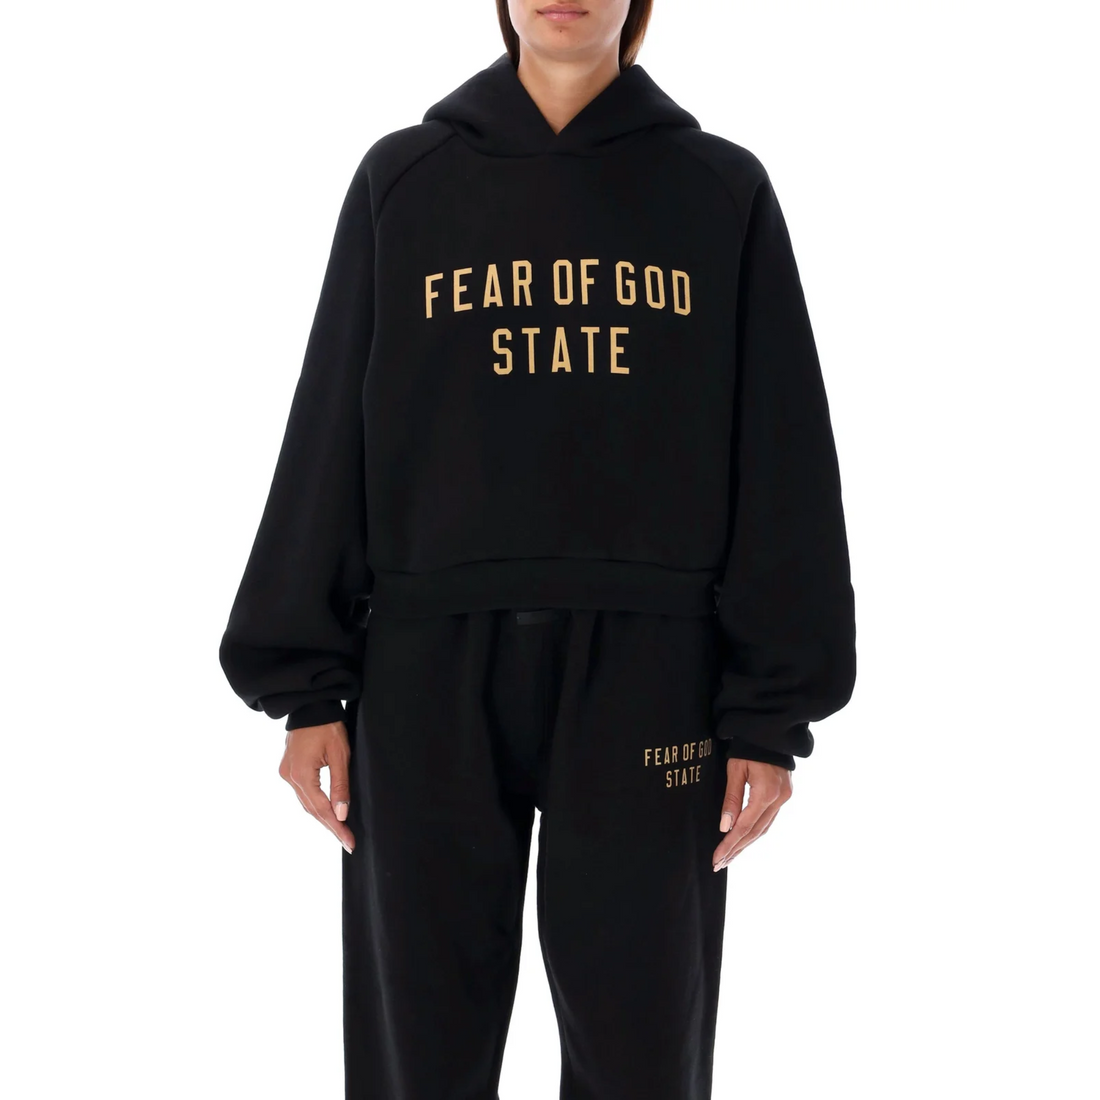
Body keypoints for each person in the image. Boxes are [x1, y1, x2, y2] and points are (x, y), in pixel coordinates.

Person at [218, 1, 857, 1096]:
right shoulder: (403, 182)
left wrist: (769, 708)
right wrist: (305, 683)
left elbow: (780, 445)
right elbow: (331, 423)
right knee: (418, 1051)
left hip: (652, 667)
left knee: (641, 1051)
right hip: (424, 664)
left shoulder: (719, 192)